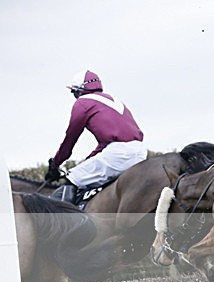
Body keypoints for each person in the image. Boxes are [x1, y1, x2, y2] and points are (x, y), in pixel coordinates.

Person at [46, 70, 146, 203]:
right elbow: (105, 145)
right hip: (140, 152)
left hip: (118, 154)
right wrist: (87, 161)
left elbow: (69, 140)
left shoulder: (82, 103)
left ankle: (65, 221)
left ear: (78, 91)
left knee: (73, 178)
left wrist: (55, 165)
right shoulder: (115, 100)